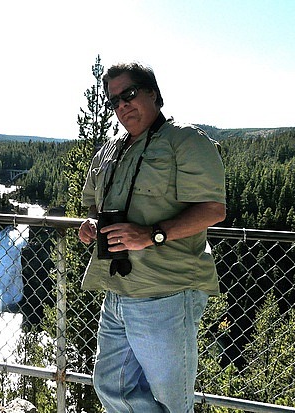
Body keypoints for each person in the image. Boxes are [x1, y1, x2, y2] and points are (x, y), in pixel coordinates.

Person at [78, 61, 226, 412]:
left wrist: (152, 235)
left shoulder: (185, 141)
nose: (122, 106)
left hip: (166, 292)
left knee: (172, 400)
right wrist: (90, 224)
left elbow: (212, 210)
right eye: (113, 101)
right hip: (117, 289)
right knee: (111, 386)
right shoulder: (110, 151)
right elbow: (92, 205)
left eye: (128, 94)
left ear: (154, 94)